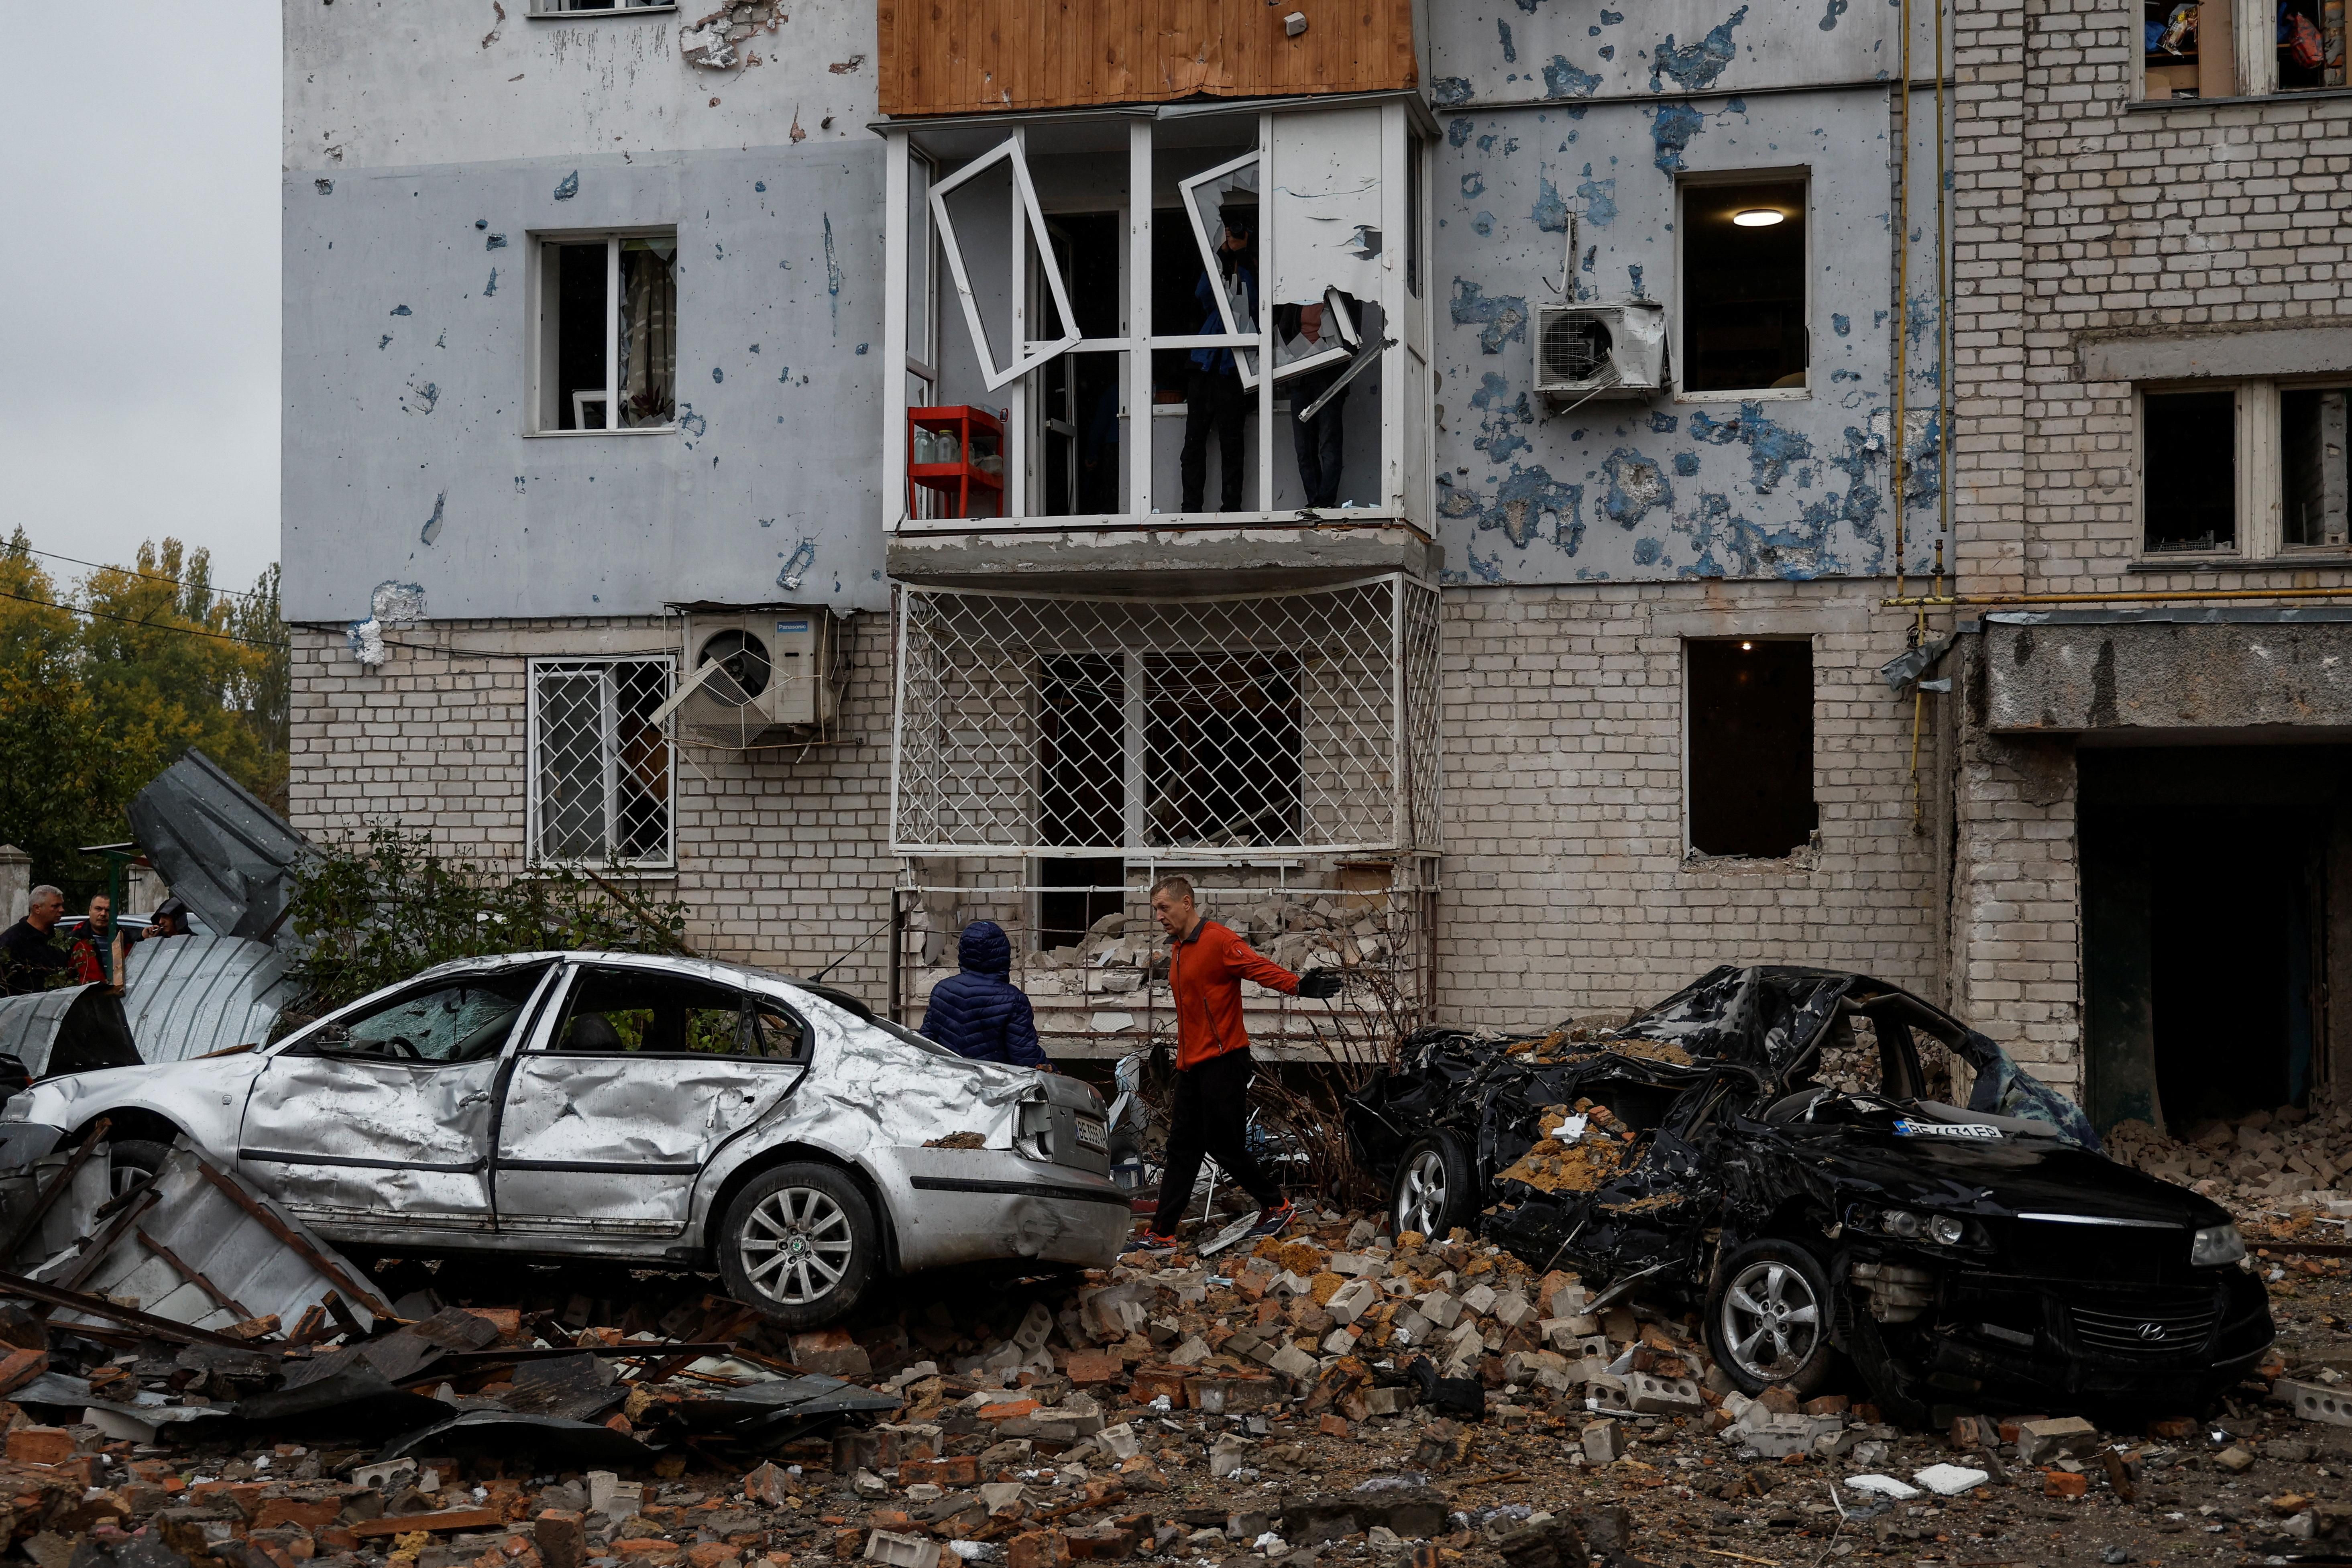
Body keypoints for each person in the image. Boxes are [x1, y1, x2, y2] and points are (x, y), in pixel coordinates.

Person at [1129, 875, 1342, 1251]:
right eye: (1155, 910)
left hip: (1224, 1060)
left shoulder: (1218, 940)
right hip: (1192, 1065)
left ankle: (1276, 1205)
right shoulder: (1178, 948)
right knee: (1182, 1147)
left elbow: (1257, 968)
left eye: (1163, 908)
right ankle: (1162, 1233)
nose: (1158, 916)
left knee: (1223, 1145)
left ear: (1187, 903)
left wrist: (1297, 985)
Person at [1179, 212, 1257, 513]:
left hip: (1233, 370)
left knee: (1231, 445)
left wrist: (1244, 255)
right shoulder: (1220, 263)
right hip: (1205, 367)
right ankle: (1190, 509)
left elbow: (1251, 303)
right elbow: (1203, 295)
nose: (1233, 236)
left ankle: (1231, 510)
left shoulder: (1253, 266)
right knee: (1193, 445)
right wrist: (1222, 256)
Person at [919, 920, 1051, 1069]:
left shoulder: (942, 990)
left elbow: (925, 1043)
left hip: (950, 1083)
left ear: (963, 953)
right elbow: (1026, 1056)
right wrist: (1055, 1073)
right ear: (1003, 954)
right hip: (993, 1086)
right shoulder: (1013, 1000)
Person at [1279, 298, 1350, 509]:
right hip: (1301, 376)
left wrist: (1328, 354)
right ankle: (1314, 501)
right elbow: (1283, 331)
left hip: (1330, 377)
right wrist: (1300, 357)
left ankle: (1326, 502)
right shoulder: (1296, 297)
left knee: (1329, 442)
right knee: (1304, 446)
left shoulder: (1340, 296)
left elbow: (1352, 340)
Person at [0, 886, 69, 996]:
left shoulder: (60, 939)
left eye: (62, 905)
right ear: (37, 908)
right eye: (55, 906)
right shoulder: (11, 941)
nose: (62, 910)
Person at [64, 893, 122, 989]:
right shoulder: (75, 940)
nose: (103, 914)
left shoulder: (123, 939)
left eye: (108, 910)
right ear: (90, 910)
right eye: (98, 909)